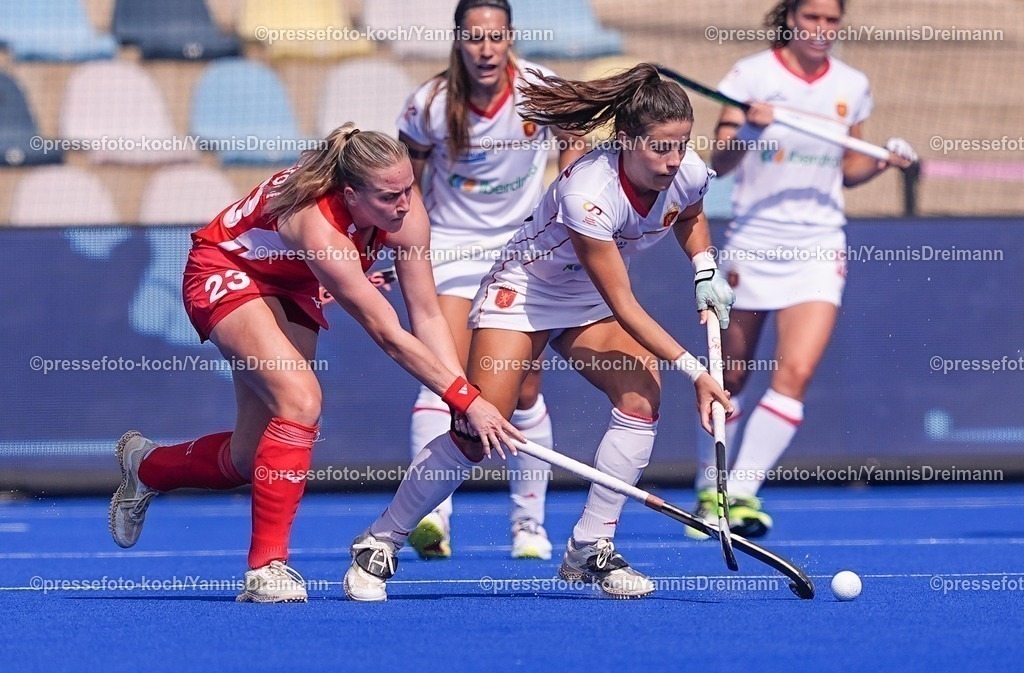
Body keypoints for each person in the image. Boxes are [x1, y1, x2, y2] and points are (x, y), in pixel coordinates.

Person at [342, 63, 735, 602]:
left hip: (584, 299)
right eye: (661, 149)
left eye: (681, 145)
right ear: (625, 140)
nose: (674, 160)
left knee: (641, 392)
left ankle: (590, 546)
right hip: (524, 293)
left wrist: (705, 268)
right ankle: (379, 540)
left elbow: (689, 214)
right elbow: (624, 305)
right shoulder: (589, 193)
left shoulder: (683, 168)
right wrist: (696, 371)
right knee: (479, 430)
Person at [108, 124, 521, 603]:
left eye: (409, 188)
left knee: (250, 457)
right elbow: (388, 333)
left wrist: (457, 394)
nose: (405, 204)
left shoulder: (405, 212)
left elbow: (427, 314)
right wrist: (467, 399)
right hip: (225, 268)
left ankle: (148, 466)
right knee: (301, 399)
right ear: (351, 195)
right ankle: (266, 570)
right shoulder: (317, 223)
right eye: (390, 197)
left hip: (292, 284)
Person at [689, 0, 918, 537]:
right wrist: (746, 126)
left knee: (796, 374)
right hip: (752, 240)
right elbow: (718, 161)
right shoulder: (751, 76)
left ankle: (739, 495)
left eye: (831, 20)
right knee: (729, 376)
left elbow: (848, 166)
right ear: (790, 18)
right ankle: (708, 490)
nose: (821, 30)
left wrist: (885, 158)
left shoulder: (853, 84)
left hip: (818, 245)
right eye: (811, 18)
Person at [397, 0, 584, 561]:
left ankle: (528, 523)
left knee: (524, 390)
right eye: (474, 37)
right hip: (450, 247)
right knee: (446, 377)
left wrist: (568, 196)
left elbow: (574, 138)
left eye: (495, 36)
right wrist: (389, 250)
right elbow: (402, 183)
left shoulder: (539, 88)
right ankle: (433, 516)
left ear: (509, 39)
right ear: (459, 40)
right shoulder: (429, 104)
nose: (485, 48)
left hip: (522, 251)